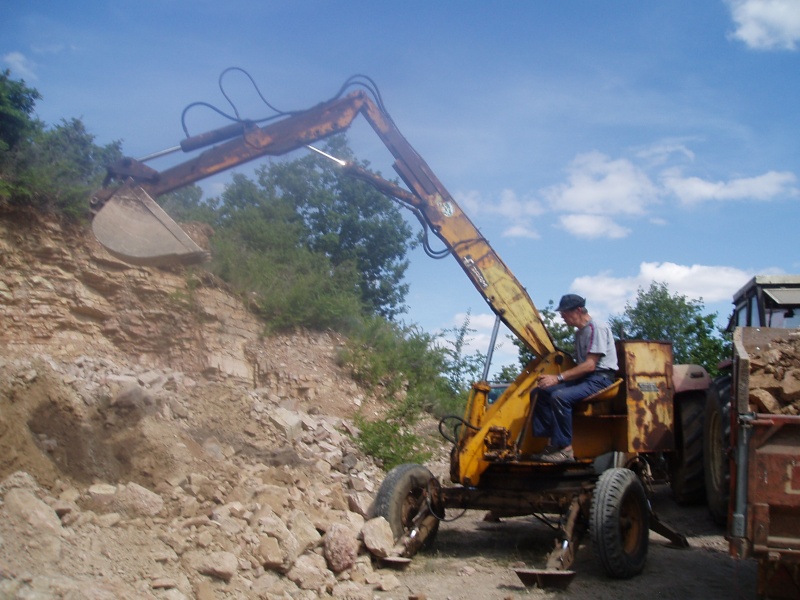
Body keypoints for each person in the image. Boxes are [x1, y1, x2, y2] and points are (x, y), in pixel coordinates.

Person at [531, 294, 618, 463]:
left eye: (564, 313)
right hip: (586, 378)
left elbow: (590, 365)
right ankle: (552, 444)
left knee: (560, 397)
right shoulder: (579, 333)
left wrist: (558, 378)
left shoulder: (596, 328)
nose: (562, 316)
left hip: (600, 379)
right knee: (539, 392)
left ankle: (565, 450)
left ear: (578, 310)